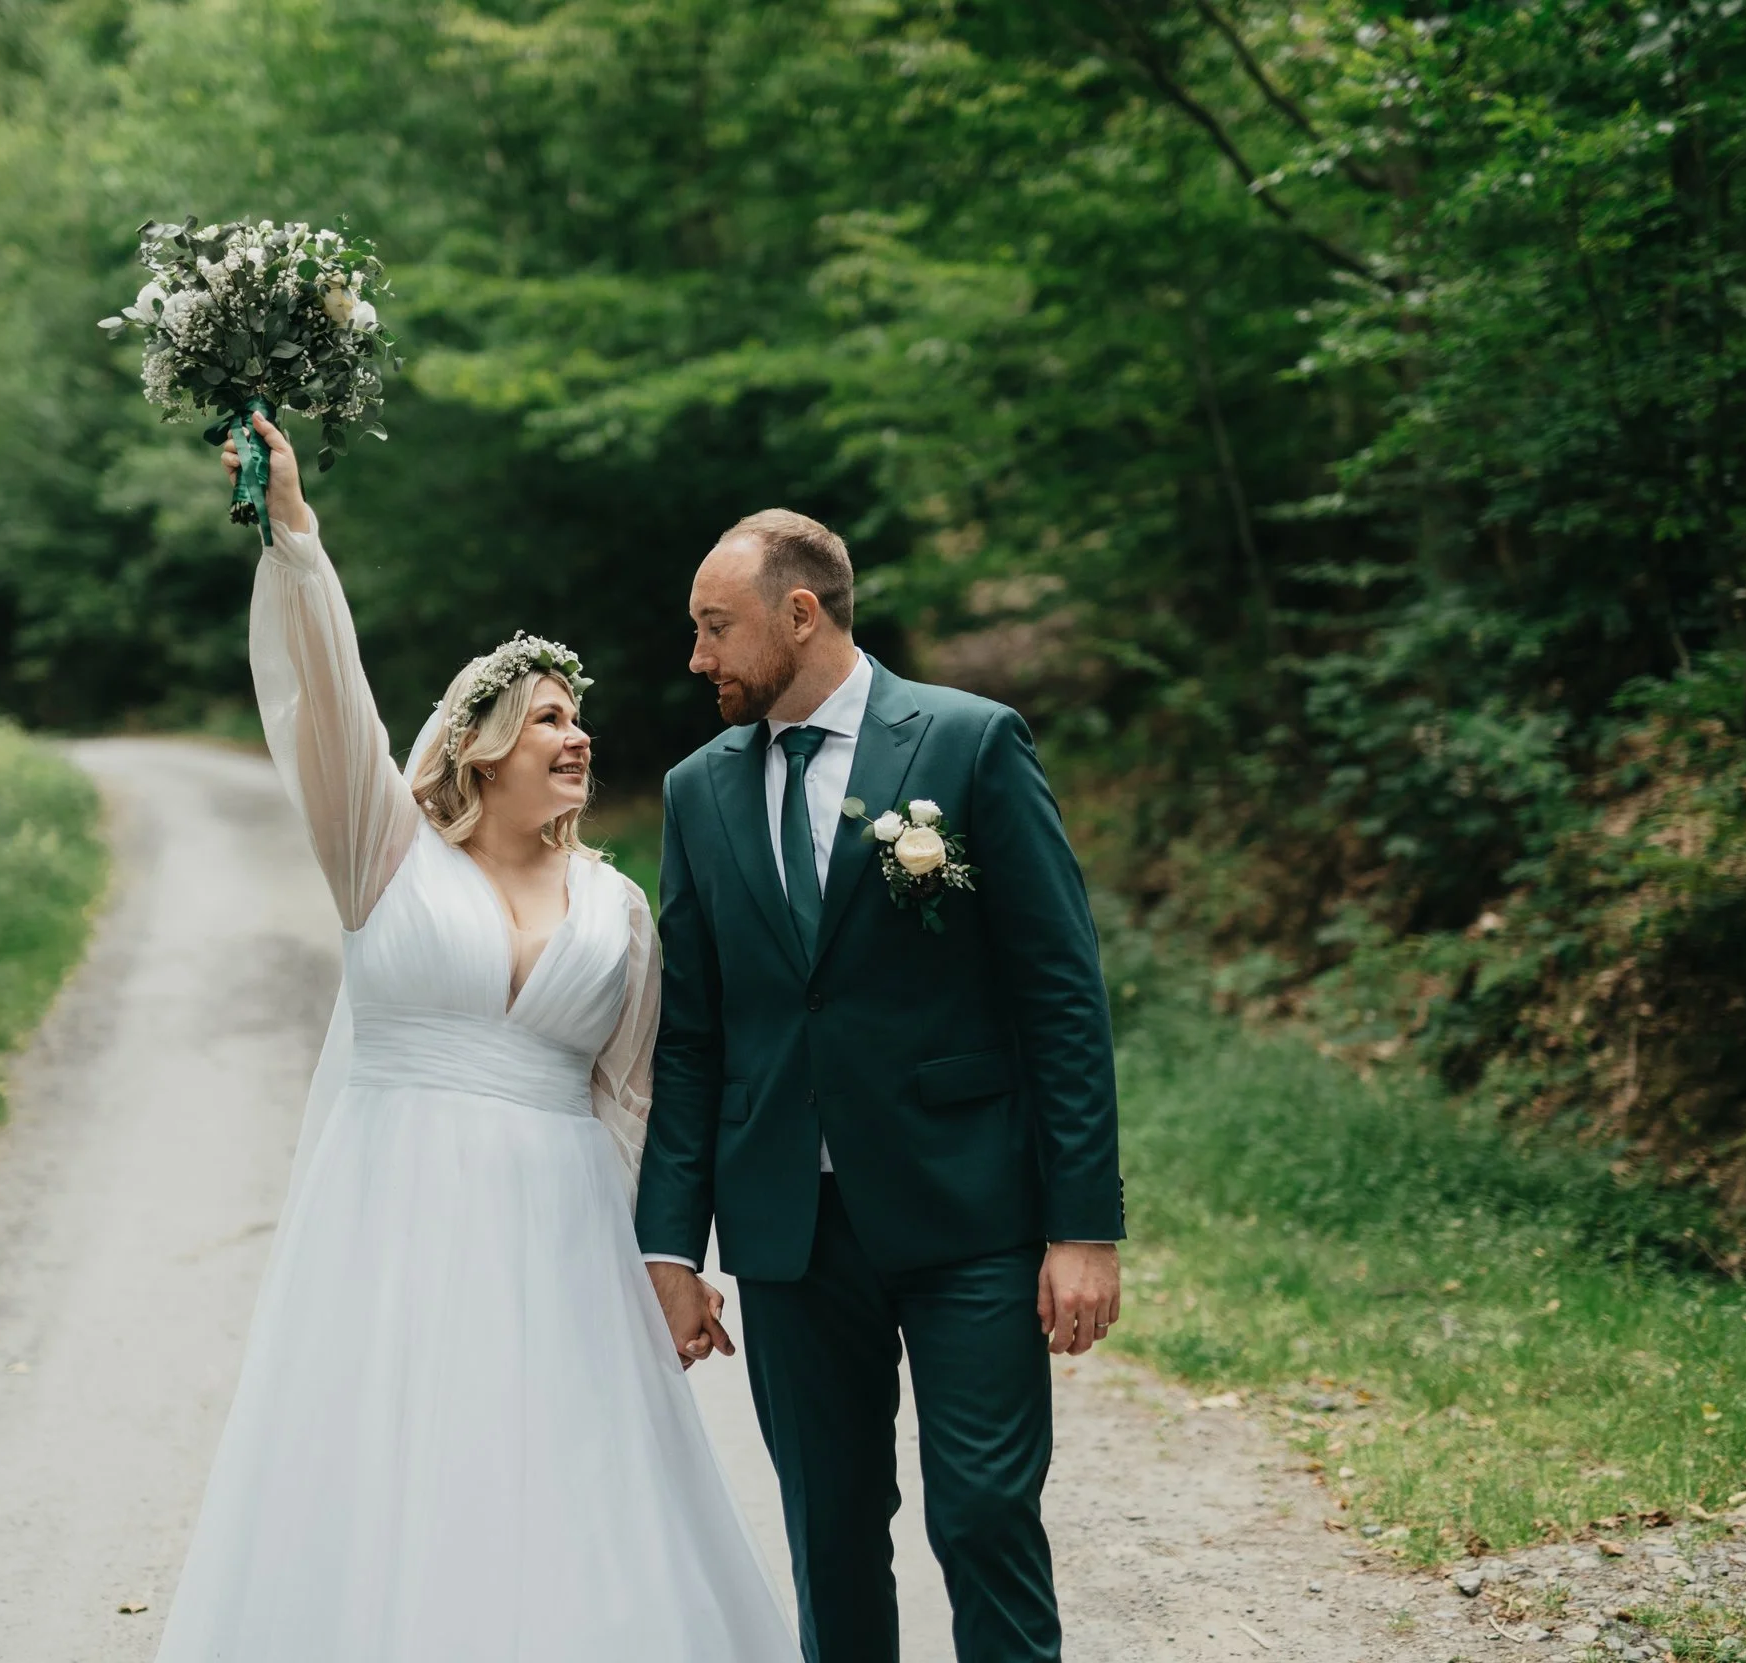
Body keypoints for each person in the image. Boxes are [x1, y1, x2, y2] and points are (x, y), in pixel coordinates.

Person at [151, 413, 795, 1662]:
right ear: (483, 743)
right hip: (389, 1223)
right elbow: (326, 705)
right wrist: (295, 534)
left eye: (578, 720)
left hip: (564, 1239)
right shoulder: (381, 854)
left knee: (567, 1489)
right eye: (550, 718)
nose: (577, 736)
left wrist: (669, 1260)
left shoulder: (617, 906)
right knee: (394, 1476)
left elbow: (640, 1098)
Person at [636, 509, 1125, 1663]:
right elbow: (693, 1036)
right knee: (833, 1532)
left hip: (969, 1214)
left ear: (798, 614)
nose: (697, 658)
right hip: (788, 1232)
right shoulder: (696, 791)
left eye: (716, 628)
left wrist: (1083, 1227)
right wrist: (670, 1246)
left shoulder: (968, 741)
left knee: (985, 1514)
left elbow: (1060, 994)